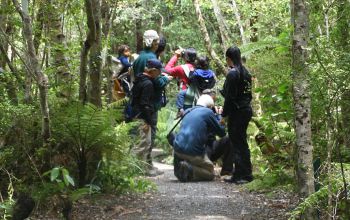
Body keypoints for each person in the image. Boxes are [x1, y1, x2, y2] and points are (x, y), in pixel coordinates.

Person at [169, 94, 226, 182]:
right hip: (194, 153)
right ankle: (191, 169)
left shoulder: (187, 111)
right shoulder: (208, 112)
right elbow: (222, 133)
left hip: (177, 150)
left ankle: (184, 168)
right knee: (210, 174)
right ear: (209, 106)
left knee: (195, 158)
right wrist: (218, 115)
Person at [221, 46, 253, 184]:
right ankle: (243, 173)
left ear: (229, 58)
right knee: (242, 142)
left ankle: (242, 175)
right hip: (246, 110)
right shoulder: (246, 73)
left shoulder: (233, 73)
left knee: (237, 142)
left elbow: (229, 97)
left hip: (237, 112)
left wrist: (224, 115)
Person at [130, 59, 163, 174]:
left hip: (136, 114)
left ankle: (140, 168)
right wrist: (148, 121)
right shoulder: (148, 83)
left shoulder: (139, 79)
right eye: (159, 71)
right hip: (142, 117)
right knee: (143, 143)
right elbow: (145, 104)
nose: (159, 74)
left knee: (144, 142)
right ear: (153, 71)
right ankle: (134, 169)